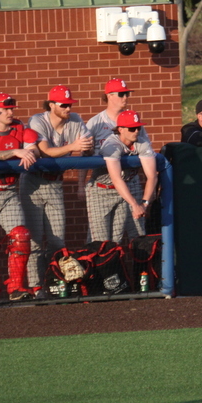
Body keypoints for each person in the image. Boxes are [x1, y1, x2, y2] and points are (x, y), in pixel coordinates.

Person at [23, 85, 93, 297]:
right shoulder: (38, 120)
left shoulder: (75, 119)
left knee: (57, 241)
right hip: (33, 183)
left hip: (55, 184)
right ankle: (36, 287)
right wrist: (73, 147)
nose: (68, 108)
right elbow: (45, 151)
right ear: (51, 104)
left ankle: (54, 281)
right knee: (35, 241)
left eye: (69, 104)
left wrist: (86, 146)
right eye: (63, 105)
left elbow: (87, 148)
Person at [0, 92, 38, 302]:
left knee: (21, 235)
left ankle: (16, 288)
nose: (10, 112)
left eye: (11, 108)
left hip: (10, 191)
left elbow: (33, 150)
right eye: (5, 109)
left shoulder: (20, 128)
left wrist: (28, 151)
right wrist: (14, 153)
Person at [83, 78, 152, 241]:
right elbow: (85, 156)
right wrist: (80, 184)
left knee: (127, 234)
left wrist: (146, 200)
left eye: (127, 94)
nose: (125, 98)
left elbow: (146, 150)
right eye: (121, 94)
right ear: (109, 96)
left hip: (130, 179)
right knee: (99, 239)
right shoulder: (96, 122)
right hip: (103, 181)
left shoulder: (133, 121)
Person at [91, 110, 158, 242]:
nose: (136, 132)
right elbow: (116, 178)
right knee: (100, 239)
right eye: (132, 129)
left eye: (138, 128)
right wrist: (134, 204)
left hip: (122, 191)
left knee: (117, 238)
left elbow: (152, 176)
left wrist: (144, 204)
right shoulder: (111, 145)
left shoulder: (142, 143)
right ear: (120, 129)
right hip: (101, 190)